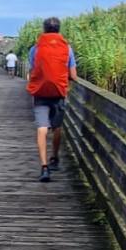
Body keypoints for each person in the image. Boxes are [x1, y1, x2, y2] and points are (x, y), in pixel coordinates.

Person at [25, 17, 77, 182]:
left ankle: (44, 166)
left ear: (44, 29)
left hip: (40, 93)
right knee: (57, 127)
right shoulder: (67, 49)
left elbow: (33, 71)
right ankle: (55, 158)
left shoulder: (35, 48)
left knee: (42, 128)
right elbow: (73, 76)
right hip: (59, 93)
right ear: (59, 30)